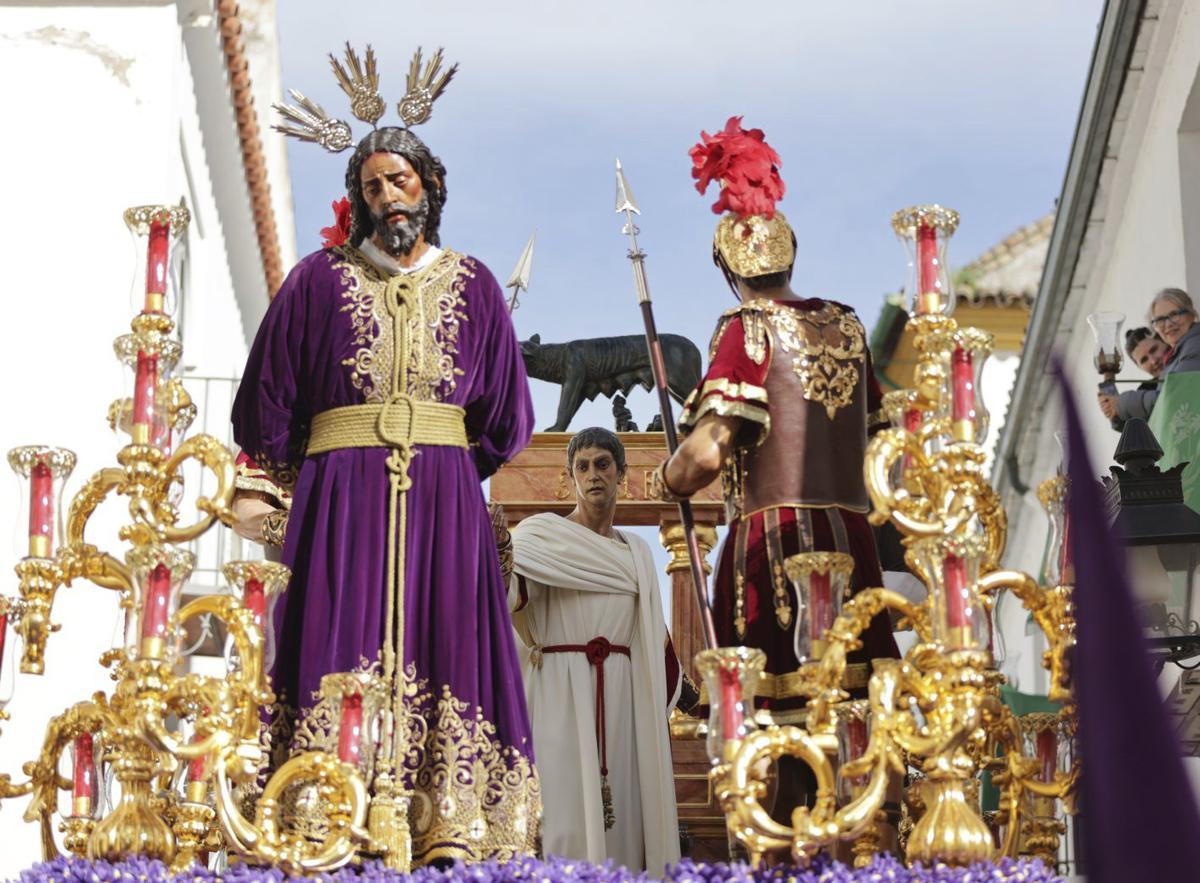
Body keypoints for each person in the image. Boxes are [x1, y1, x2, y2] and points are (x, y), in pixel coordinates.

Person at [231, 52, 538, 866]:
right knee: (335, 639)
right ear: (357, 199)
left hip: (443, 502)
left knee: (449, 644)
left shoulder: (476, 286)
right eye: (371, 187)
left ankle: (452, 827)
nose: (387, 198)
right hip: (340, 500)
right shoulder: (314, 282)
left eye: (399, 180)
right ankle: (325, 811)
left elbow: (506, 417)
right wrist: (296, 488)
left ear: (428, 185)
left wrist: (447, 468)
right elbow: (265, 401)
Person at [650, 119, 900, 836]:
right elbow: (882, 439)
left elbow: (706, 453)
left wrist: (669, 479)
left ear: (729, 266)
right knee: (857, 717)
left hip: (774, 547)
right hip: (852, 545)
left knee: (773, 727)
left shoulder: (747, 328)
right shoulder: (846, 326)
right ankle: (868, 846)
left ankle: (785, 849)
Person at [504, 428, 684, 873]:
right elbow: (506, 597)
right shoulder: (540, 537)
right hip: (558, 698)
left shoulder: (637, 553)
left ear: (621, 473)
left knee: (622, 824)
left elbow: (652, 635)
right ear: (570, 478)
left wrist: (696, 697)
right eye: (581, 467)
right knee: (560, 819)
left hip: (623, 705)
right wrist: (499, 555)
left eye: (602, 464)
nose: (592, 475)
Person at [1099, 288, 1200, 423]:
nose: (1168, 324)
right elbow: (1154, 423)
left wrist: (1122, 403)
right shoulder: (1155, 382)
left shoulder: (1194, 345)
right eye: (1160, 320)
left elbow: (1176, 401)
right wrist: (1114, 410)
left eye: (1174, 314)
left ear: (1191, 313)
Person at [1096, 327, 1168, 431]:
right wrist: (1109, 374)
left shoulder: (1187, 357)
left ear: (1165, 341)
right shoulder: (1147, 389)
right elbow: (1127, 425)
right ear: (1139, 367)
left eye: (1154, 350)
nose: (1153, 361)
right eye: (1144, 360)